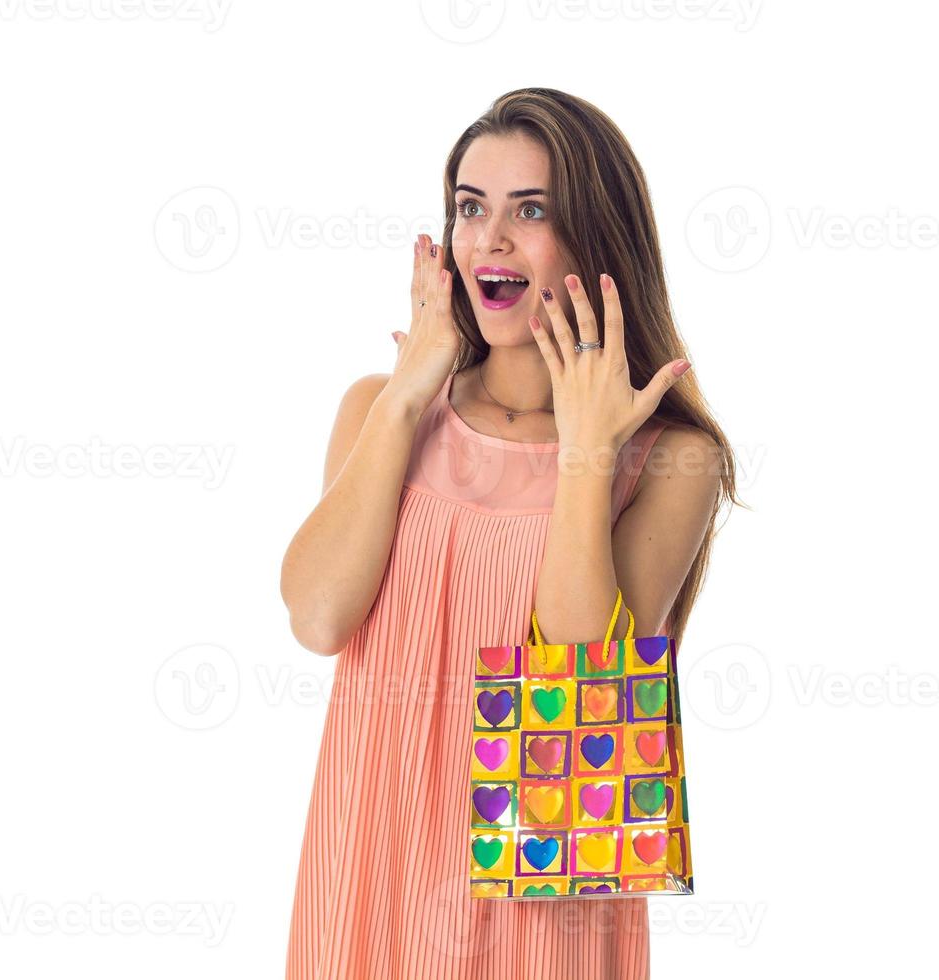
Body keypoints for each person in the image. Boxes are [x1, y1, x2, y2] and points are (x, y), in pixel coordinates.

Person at [278, 87, 744, 979]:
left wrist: (586, 457)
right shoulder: (380, 412)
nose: (489, 238)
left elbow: (582, 689)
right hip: (370, 862)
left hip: (546, 900)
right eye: (469, 208)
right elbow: (318, 618)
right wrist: (411, 388)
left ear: (595, 239)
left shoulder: (671, 461)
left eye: (530, 210)